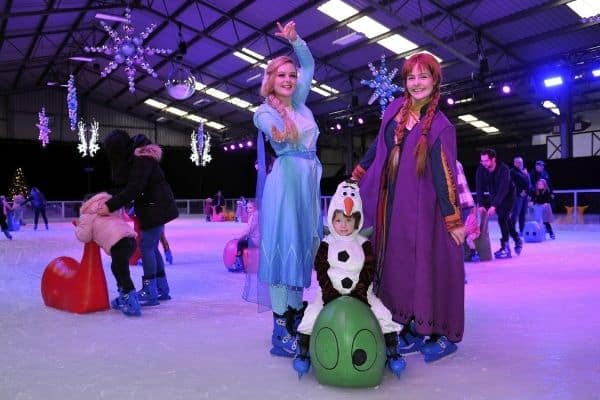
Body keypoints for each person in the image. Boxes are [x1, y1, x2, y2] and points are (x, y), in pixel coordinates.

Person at [351, 52, 465, 362]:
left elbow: (445, 175)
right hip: (390, 209)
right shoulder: (393, 110)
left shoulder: (441, 126)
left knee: (429, 267)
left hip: (422, 211)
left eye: (423, 76)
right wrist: (356, 175)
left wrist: (453, 220)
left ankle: (440, 332)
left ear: (435, 80)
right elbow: (378, 148)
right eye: (411, 77)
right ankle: (410, 325)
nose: (416, 83)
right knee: (397, 269)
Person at [252, 21, 323, 357]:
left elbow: (308, 64)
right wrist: (279, 134)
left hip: (307, 182)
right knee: (285, 250)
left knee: (302, 250)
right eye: (281, 76)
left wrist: (296, 40)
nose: (289, 80)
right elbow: (273, 131)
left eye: (291, 76)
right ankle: (280, 330)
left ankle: (295, 317)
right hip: (286, 181)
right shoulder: (264, 111)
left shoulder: (302, 103)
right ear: (271, 79)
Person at [293, 181, 406, 377]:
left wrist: (360, 291)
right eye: (338, 220)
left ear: (357, 220)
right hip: (330, 294)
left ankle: (392, 349)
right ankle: (303, 351)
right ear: (331, 220)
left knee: (383, 314)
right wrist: (329, 292)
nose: (343, 225)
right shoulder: (327, 244)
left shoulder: (363, 244)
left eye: (348, 220)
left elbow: (369, 270)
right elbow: (321, 269)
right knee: (311, 314)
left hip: (361, 294)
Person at [98, 131, 179, 306]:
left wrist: (110, 205)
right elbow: (134, 187)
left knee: (146, 247)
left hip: (155, 208)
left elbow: (135, 188)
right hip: (156, 206)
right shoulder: (139, 157)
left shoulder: (141, 159)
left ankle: (150, 290)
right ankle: (161, 288)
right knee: (152, 247)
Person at [74, 192, 140, 316]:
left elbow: (85, 236)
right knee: (117, 268)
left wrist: (78, 227)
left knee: (121, 271)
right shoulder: (109, 207)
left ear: (86, 203)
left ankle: (131, 301)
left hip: (118, 243)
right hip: (130, 239)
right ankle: (124, 296)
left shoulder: (87, 214)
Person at [476, 149, 523, 259]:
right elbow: (479, 187)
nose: (484, 163)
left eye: (486, 161)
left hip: (508, 195)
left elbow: (503, 189)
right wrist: (481, 203)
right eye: (482, 161)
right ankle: (517, 240)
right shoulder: (481, 170)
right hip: (494, 195)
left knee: (502, 218)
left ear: (493, 159)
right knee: (505, 219)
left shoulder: (504, 169)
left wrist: (494, 205)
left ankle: (505, 247)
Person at [456, 161, 480, 262]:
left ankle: (457, 270)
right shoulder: (457, 162)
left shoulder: (445, 161)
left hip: (459, 203)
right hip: (467, 201)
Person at [229, 201, 259, 272]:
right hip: (258, 239)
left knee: (240, 243)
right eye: (247, 208)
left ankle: (239, 265)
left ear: (255, 208)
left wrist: (239, 238)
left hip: (256, 241)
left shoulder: (254, 216)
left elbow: (248, 230)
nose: (248, 209)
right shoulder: (257, 215)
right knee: (244, 240)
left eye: (250, 208)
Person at [510, 156, 531, 236]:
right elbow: (511, 184)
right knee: (515, 214)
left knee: (523, 214)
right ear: (514, 163)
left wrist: (528, 194)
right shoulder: (512, 172)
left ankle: (522, 230)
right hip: (517, 196)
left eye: (521, 162)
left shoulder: (524, 172)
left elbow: (528, 183)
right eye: (518, 162)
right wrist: (519, 192)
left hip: (525, 196)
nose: (520, 164)